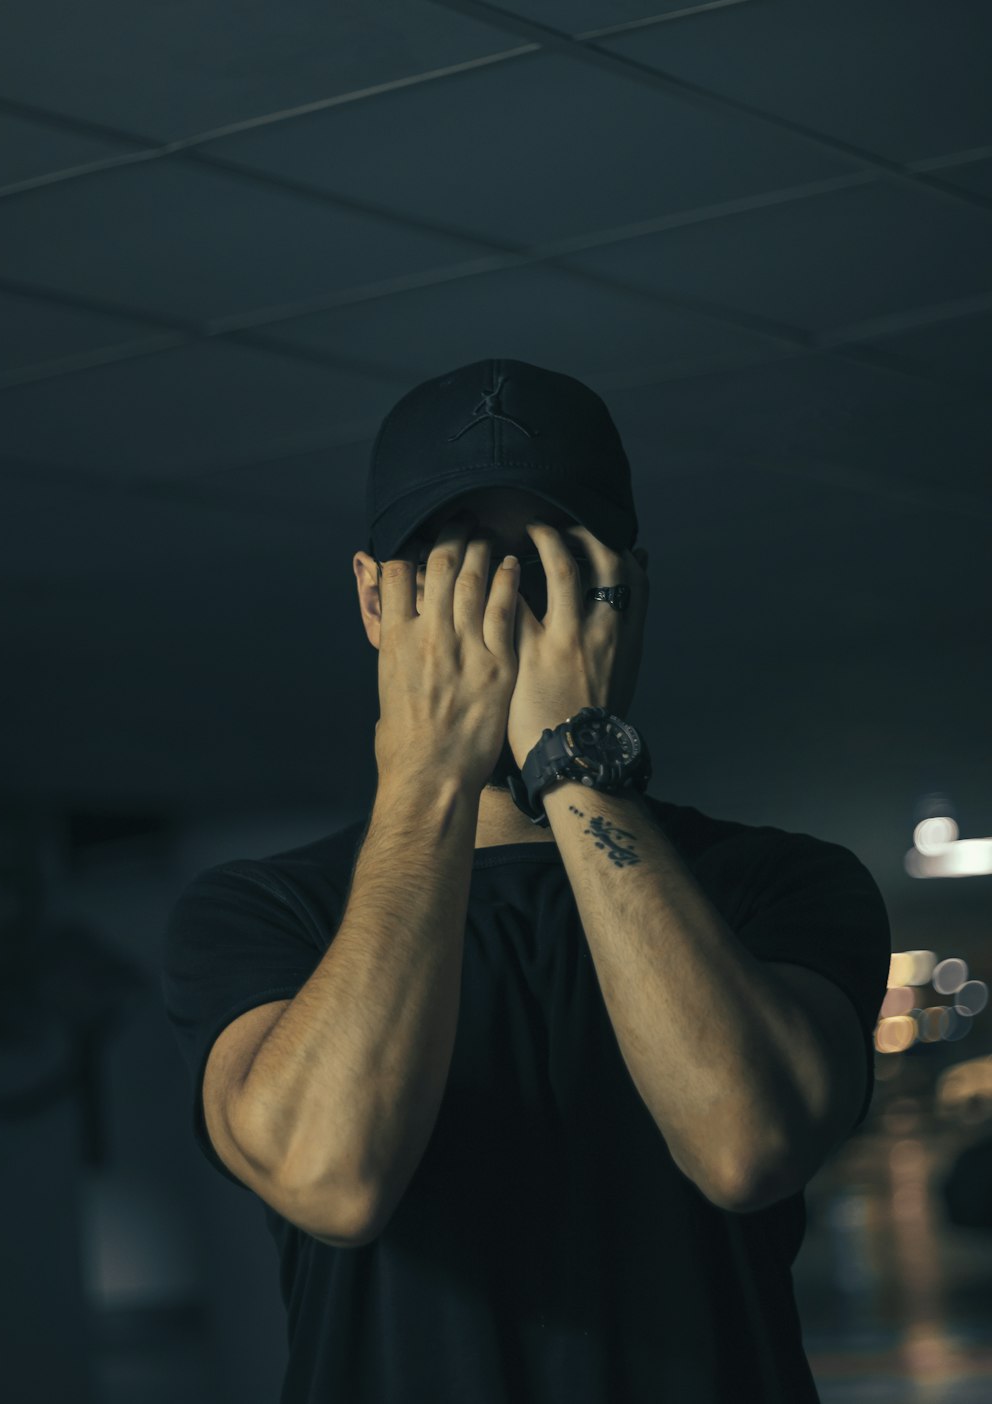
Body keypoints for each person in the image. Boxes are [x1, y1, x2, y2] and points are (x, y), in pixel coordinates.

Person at [161, 358, 892, 1403]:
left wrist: (576, 760)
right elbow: (333, 1177)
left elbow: (745, 1148)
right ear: (376, 601)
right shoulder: (263, 913)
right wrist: (424, 778)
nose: (500, 618)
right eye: (459, 576)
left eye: (541, 569)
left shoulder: (777, 884)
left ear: (622, 590)